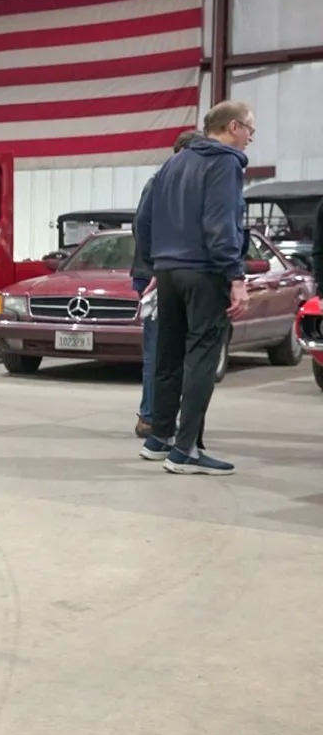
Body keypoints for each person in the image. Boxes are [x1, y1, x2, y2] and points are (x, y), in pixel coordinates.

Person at [134, 101, 254, 475]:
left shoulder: (174, 163)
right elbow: (221, 224)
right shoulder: (225, 163)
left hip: (168, 271)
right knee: (202, 357)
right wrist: (236, 277)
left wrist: (154, 265)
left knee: (167, 356)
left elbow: (144, 219)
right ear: (234, 127)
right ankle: (186, 451)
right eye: (250, 130)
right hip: (204, 272)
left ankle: (159, 438)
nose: (250, 138)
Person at [133, 128, 204, 438]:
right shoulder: (162, 181)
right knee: (160, 350)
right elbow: (142, 225)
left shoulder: (174, 183)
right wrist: (156, 268)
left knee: (170, 351)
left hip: (166, 272)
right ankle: (151, 418)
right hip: (158, 276)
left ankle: (162, 417)